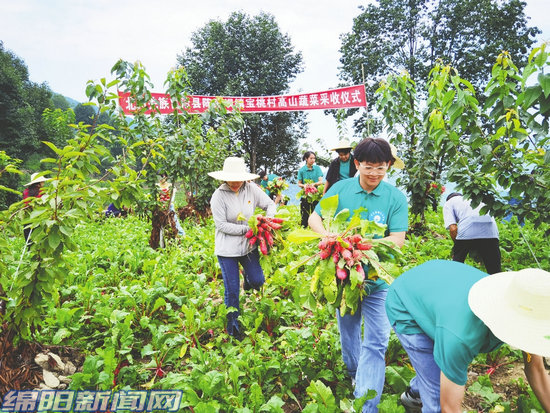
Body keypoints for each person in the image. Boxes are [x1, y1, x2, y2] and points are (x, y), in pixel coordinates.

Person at [308, 138, 408, 412]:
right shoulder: (341, 189)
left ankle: (366, 406)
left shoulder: (395, 198)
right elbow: (314, 218)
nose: (374, 173)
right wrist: (330, 236)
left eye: (381, 167)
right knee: (349, 332)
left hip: (377, 280)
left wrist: (364, 249)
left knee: (377, 343)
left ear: (388, 165)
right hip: (344, 280)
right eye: (368, 167)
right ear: (357, 164)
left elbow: (397, 238)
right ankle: (355, 373)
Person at [386, 259, 550, 412]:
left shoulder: (526, 307)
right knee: (436, 397)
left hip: (440, 290)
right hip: (406, 303)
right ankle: (421, 390)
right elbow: (449, 407)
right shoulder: (460, 338)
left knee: (438, 364)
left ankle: (416, 389)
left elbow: (536, 369)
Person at [209, 157, 276, 339]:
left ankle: (248, 278)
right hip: (227, 250)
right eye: (232, 179)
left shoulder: (251, 189)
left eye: (239, 178)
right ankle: (234, 329)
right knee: (232, 290)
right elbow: (221, 225)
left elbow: (270, 204)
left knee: (258, 280)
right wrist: (248, 229)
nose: (236, 182)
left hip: (248, 247)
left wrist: (268, 220)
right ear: (224, 178)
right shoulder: (218, 196)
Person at [442, 192, 501, 274]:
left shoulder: (448, 203)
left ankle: (456, 282)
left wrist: (457, 246)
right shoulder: (475, 199)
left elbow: (453, 229)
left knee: (457, 264)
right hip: (491, 231)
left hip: (467, 230)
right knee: (495, 270)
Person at [297, 151, 324, 227]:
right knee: (304, 214)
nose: (313, 160)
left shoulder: (317, 168)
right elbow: (299, 183)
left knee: (316, 214)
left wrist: (314, 184)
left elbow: (320, 181)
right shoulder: (302, 170)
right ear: (306, 159)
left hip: (316, 195)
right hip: (306, 195)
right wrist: (304, 185)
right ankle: (304, 229)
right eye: (311, 158)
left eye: (314, 158)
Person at [22, 172, 47, 244]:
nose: (44, 182)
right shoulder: (42, 192)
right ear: (39, 182)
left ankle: (29, 251)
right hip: (39, 217)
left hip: (27, 217)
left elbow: (25, 204)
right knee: (39, 238)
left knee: (28, 240)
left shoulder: (26, 191)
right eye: (43, 181)